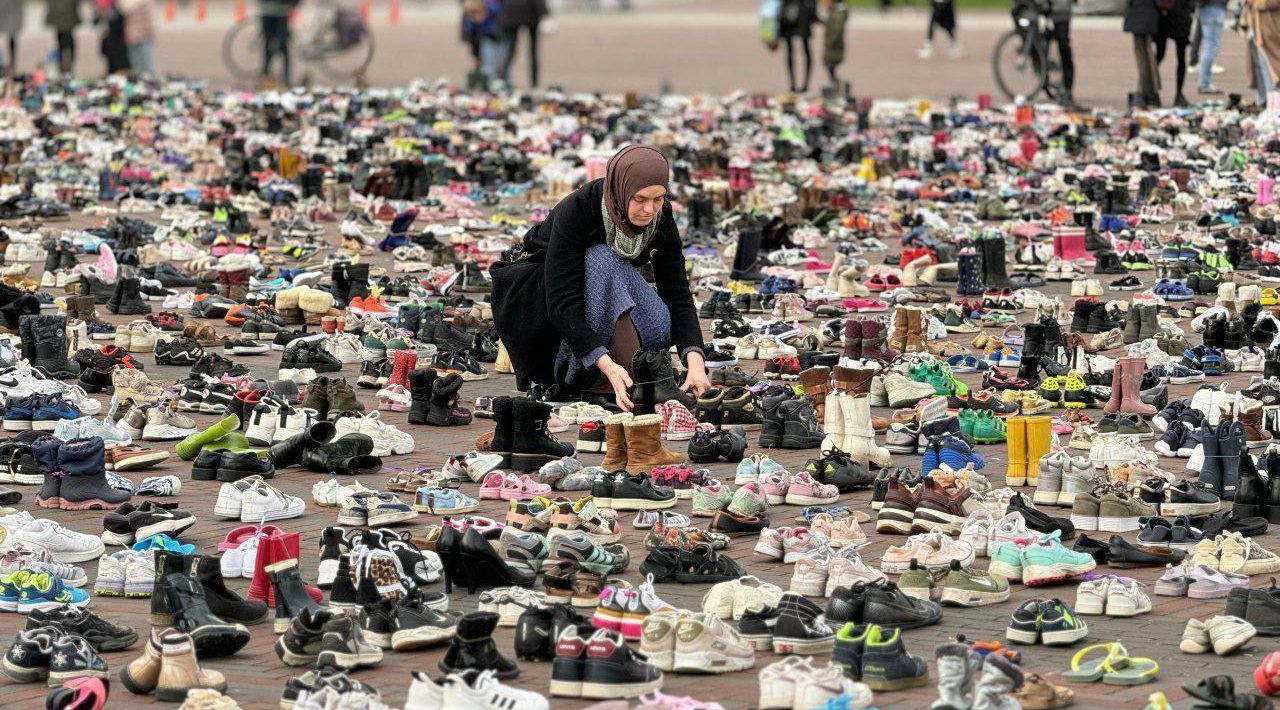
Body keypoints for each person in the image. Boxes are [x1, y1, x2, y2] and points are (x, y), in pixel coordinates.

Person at [490, 144, 709, 410]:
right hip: (546, 312)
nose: (649, 209)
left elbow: (677, 293)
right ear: (621, 190)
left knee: (658, 321)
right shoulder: (578, 209)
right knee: (601, 257)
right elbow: (562, 302)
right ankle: (616, 379)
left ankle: (634, 372)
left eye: (658, 198)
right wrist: (607, 365)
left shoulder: (661, 217)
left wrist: (695, 360)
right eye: (639, 199)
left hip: (602, 301)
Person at [498, 0, 546, 88]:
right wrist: (544, 12)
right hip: (530, 14)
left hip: (510, 12)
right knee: (533, 52)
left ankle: (501, 79)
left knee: (510, 50)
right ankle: (534, 83)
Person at [1124, 0, 1162, 108]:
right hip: (1149, 15)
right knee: (1148, 55)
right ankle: (1151, 90)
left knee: (1143, 58)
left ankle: (1144, 90)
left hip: (1139, 15)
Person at [1155, 0, 1194, 106]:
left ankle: (1151, 89)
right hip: (1176, 15)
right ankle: (1178, 94)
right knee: (1179, 57)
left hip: (1165, 15)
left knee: (1159, 55)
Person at [461, 0, 502, 89]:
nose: (477, 19)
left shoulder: (495, 12)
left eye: (478, 16)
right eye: (474, 18)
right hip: (483, 39)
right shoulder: (471, 22)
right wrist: (474, 55)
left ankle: (495, 83)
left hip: (496, 38)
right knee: (482, 63)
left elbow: (500, 33)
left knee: (495, 62)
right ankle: (486, 84)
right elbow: (473, 40)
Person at [778, 0, 817, 93]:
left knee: (799, 50)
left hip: (799, 11)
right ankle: (795, 85)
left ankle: (801, 85)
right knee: (793, 50)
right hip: (793, 12)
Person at [1047, 0, 1079, 109]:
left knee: (1063, 44)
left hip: (1061, 7)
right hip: (1037, 6)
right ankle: (1042, 71)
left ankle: (1067, 88)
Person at [260, 0, 297, 87]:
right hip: (272, 12)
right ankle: (268, 77)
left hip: (278, 12)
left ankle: (282, 78)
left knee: (277, 46)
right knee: (272, 47)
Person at [820, 0, 851, 96]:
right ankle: (837, 85)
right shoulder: (835, 11)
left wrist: (830, 41)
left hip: (834, 45)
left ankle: (839, 86)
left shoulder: (838, 12)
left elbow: (837, 29)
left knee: (830, 64)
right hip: (833, 44)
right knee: (830, 66)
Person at [1196, 0, 1228, 93]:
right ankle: (1203, 83)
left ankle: (1203, 82)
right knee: (1211, 47)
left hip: (1207, 8)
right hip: (1214, 9)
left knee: (1210, 46)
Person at [118, 0, 154, 76]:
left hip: (139, 36)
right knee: (142, 67)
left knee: (143, 66)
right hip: (138, 36)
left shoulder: (127, 4)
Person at [45, 0, 81, 74]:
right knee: (66, 40)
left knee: (63, 40)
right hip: (66, 14)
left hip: (62, 14)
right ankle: (66, 64)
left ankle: (64, 64)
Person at [0, 0, 22, 75]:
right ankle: (11, 64)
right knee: (11, 36)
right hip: (6, 7)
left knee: (12, 35)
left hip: (12, 8)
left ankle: (12, 64)